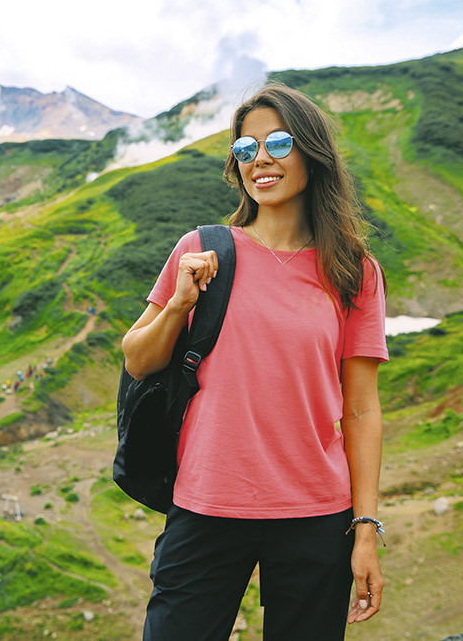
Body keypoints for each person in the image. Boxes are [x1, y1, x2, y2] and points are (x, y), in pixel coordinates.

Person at [121, 82, 389, 640]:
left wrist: (365, 528)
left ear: (313, 153)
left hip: (316, 512)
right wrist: (179, 306)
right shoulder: (202, 250)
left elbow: (361, 409)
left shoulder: (355, 271)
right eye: (246, 148)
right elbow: (138, 360)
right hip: (207, 502)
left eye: (279, 143)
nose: (260, 159)